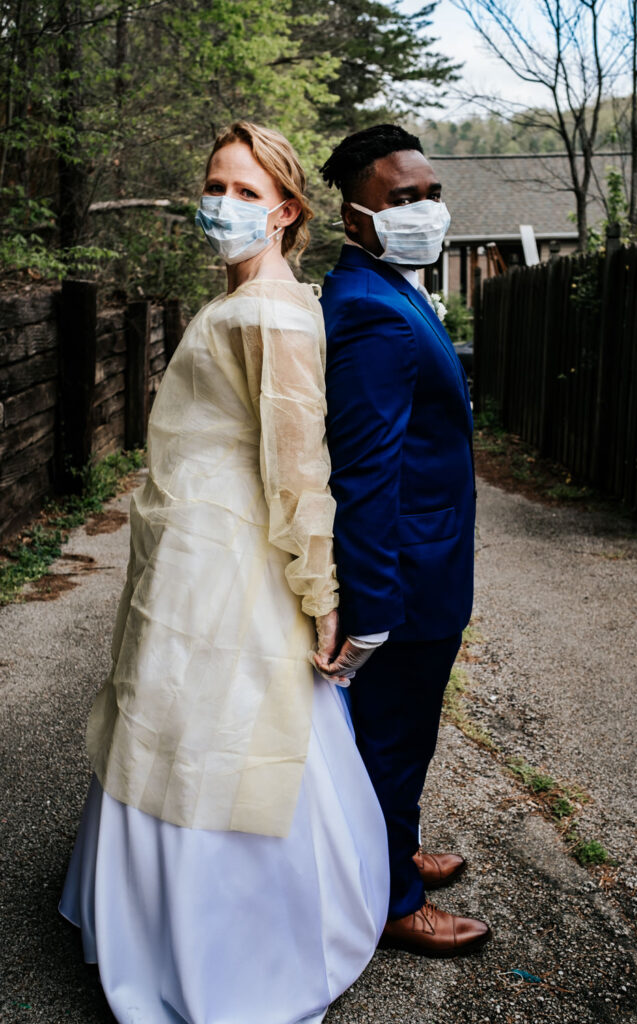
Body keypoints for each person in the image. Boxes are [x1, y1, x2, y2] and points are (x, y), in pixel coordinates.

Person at [59, 121, 389, 1024]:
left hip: (232, 562)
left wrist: (320, 591)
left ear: (286, 211)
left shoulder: (273, 310)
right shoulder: (240, 297)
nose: (225, 203)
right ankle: (151, 918)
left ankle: (229, 944)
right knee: (165, 715)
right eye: (216, 185)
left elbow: (297, 466)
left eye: (247, 192)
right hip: (188, 552)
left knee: (221, 730)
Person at [315, 124, 491, 958]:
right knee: (385, 739)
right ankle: (391, 899)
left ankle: (399, 846)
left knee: (410, 731)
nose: (425, 210)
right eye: (401, 199)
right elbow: (363, 474)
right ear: (354, 218)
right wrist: (373, 605)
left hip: (432, 558)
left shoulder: (394, 287)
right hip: (406, 579)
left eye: (431, 194)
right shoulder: (367, 312)